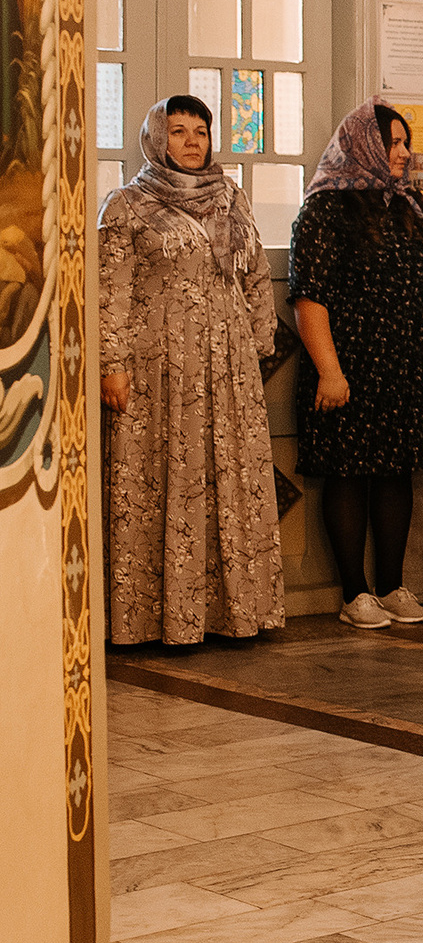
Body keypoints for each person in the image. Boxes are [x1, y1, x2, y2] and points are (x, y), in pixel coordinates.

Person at [98, 95, 285, 646]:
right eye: (177, 131)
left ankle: (230, 615)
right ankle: (152, 620)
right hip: (157, 370)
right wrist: (112, 363)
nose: (191, 141)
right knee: (159, 480)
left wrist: (255, 345)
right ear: (156, 139)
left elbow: (255, 274)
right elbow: (112, 290)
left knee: (227, 479)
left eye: (200, 130)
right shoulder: (127, 205)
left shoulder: (230, 197)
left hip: (226, 368)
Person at [289, 101, 423, 630]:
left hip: (410, 362)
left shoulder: (410, 205)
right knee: (348, 474)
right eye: (391, 143)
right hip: (350, 366)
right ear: (362, 145)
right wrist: (329, 369)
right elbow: (310, 297)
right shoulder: (324, 210)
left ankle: (392, 586)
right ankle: (355, 594)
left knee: (397, 471)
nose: (402, 153)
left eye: (403, 143)